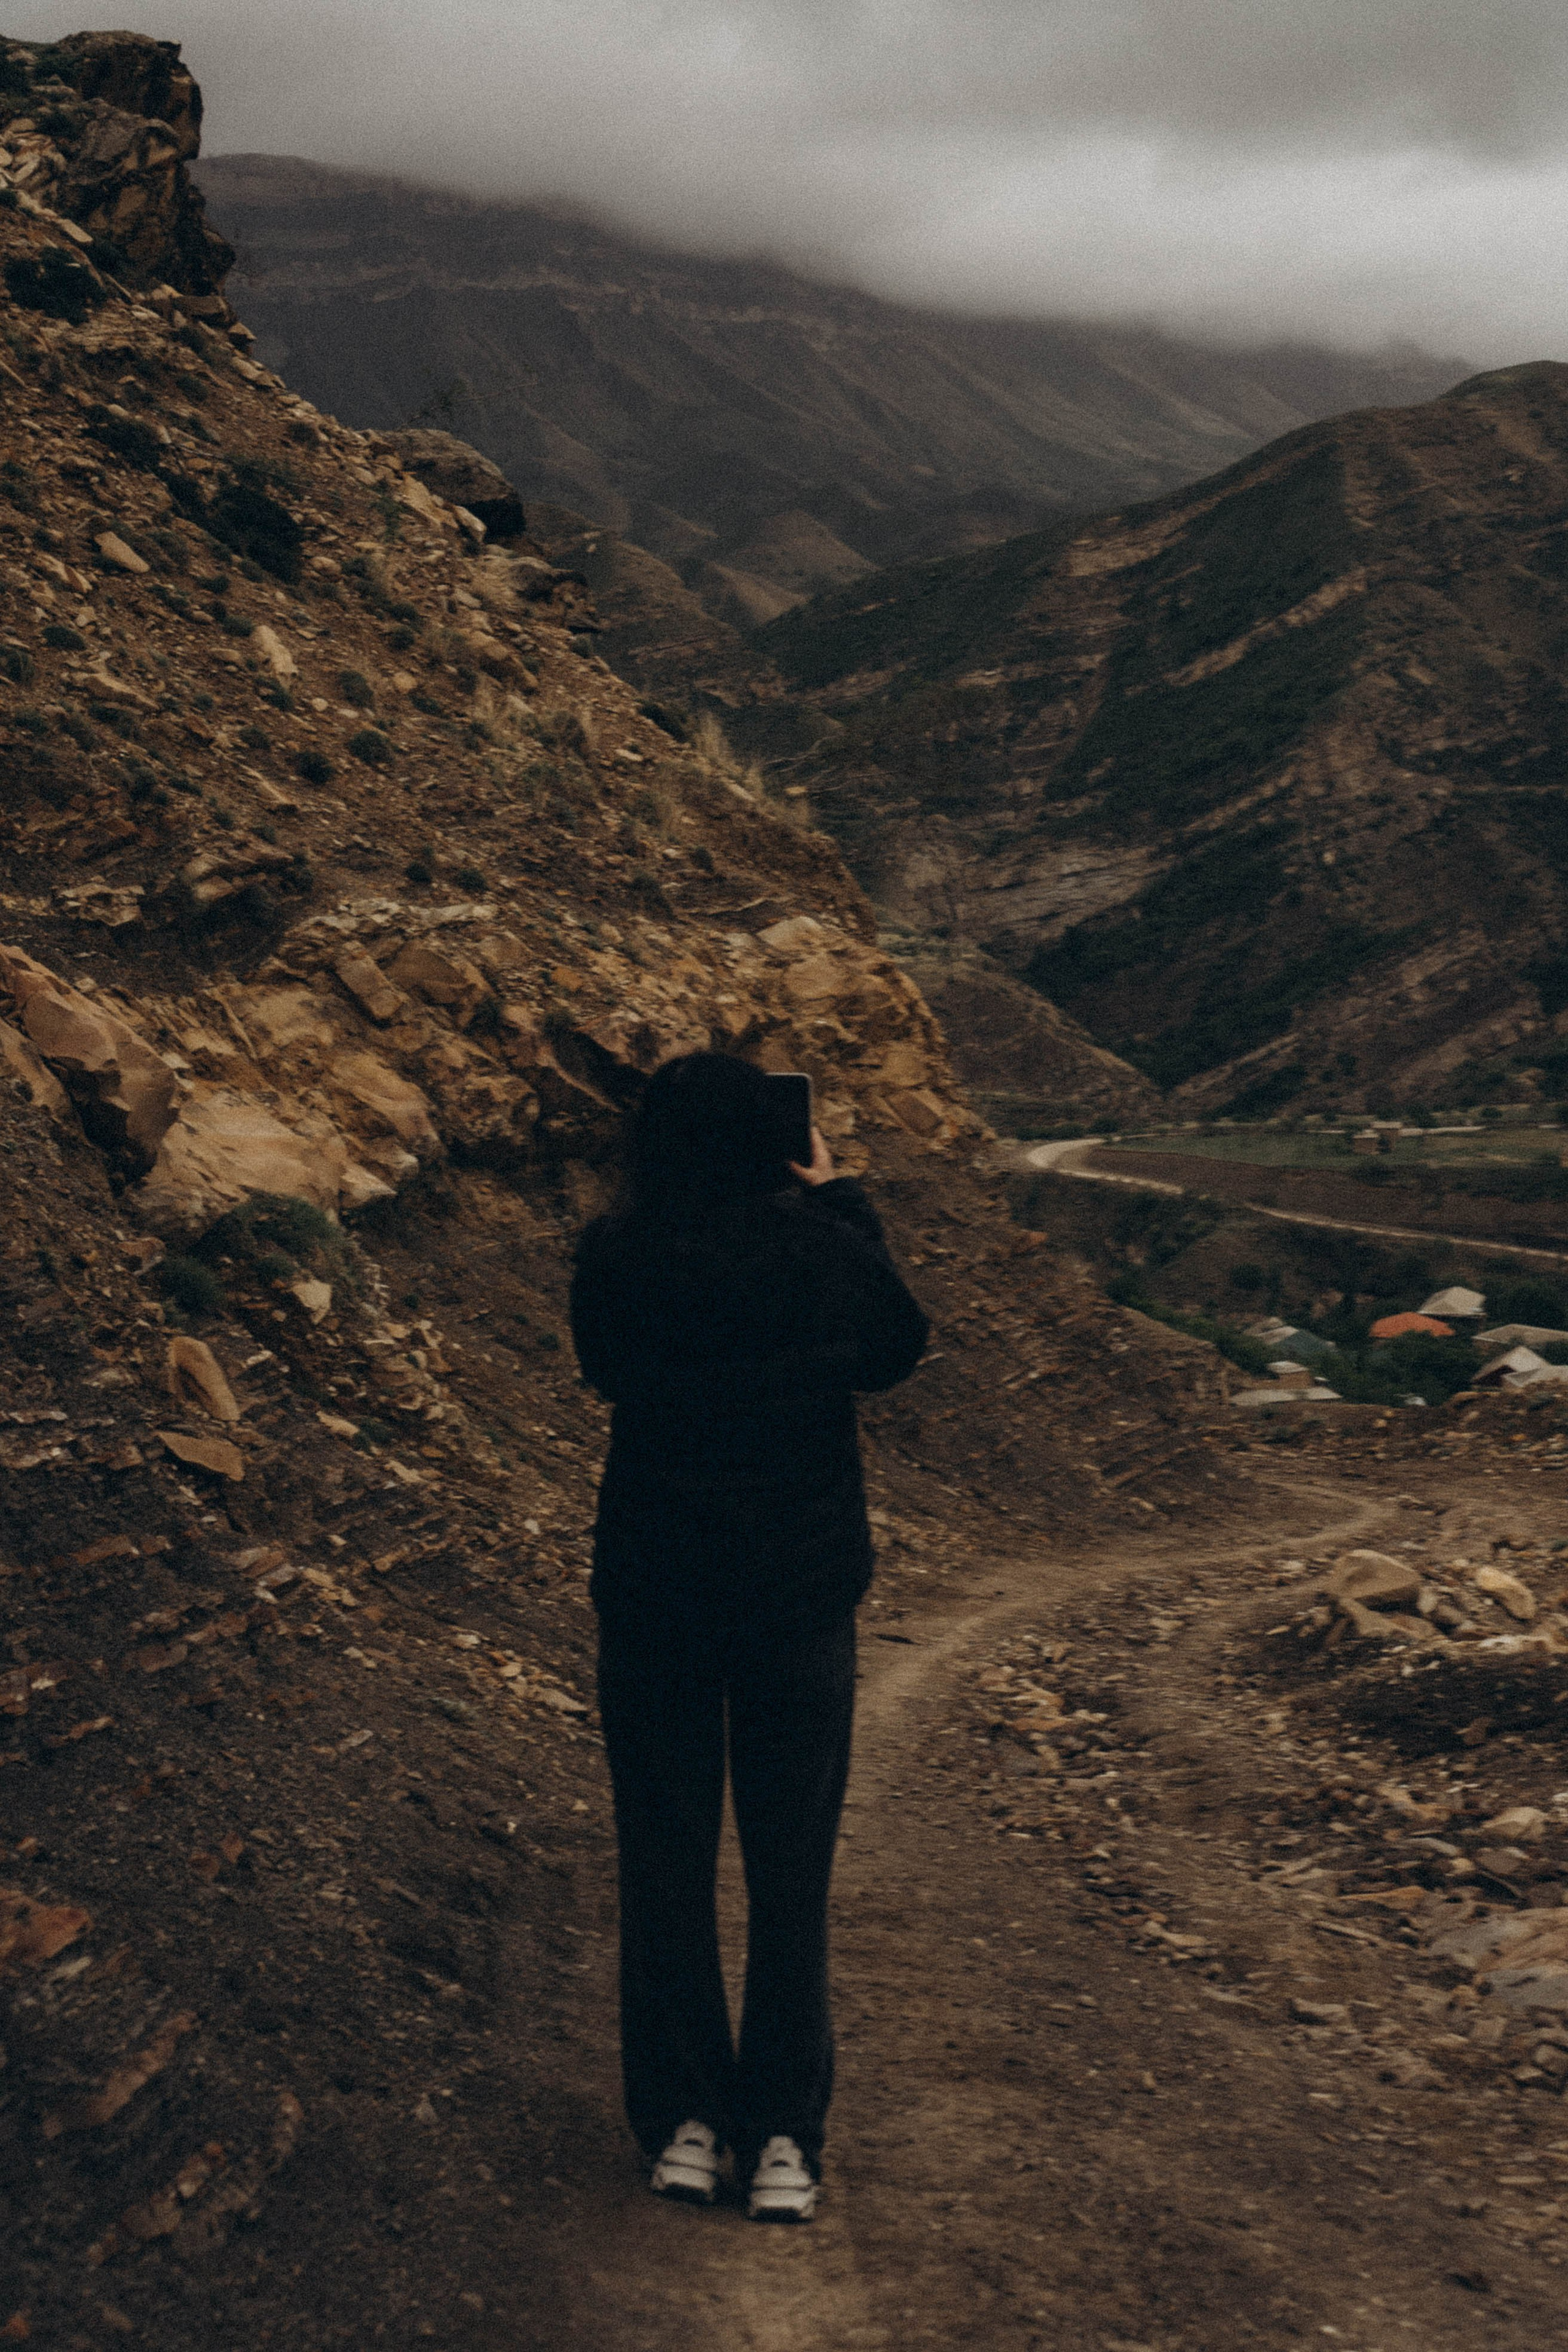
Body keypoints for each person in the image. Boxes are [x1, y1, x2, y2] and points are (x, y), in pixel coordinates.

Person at [569, 1051, 929, 2222]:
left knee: (664, 1860)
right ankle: (784, 2138)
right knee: (792, 1874)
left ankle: (683, 2125)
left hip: (658, 1590)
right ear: (774, 1144)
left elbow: (603, 1370)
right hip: (798, 1598)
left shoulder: (617, 1256)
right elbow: (896, 1351)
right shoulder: (825, 1251)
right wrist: (838, 1199)